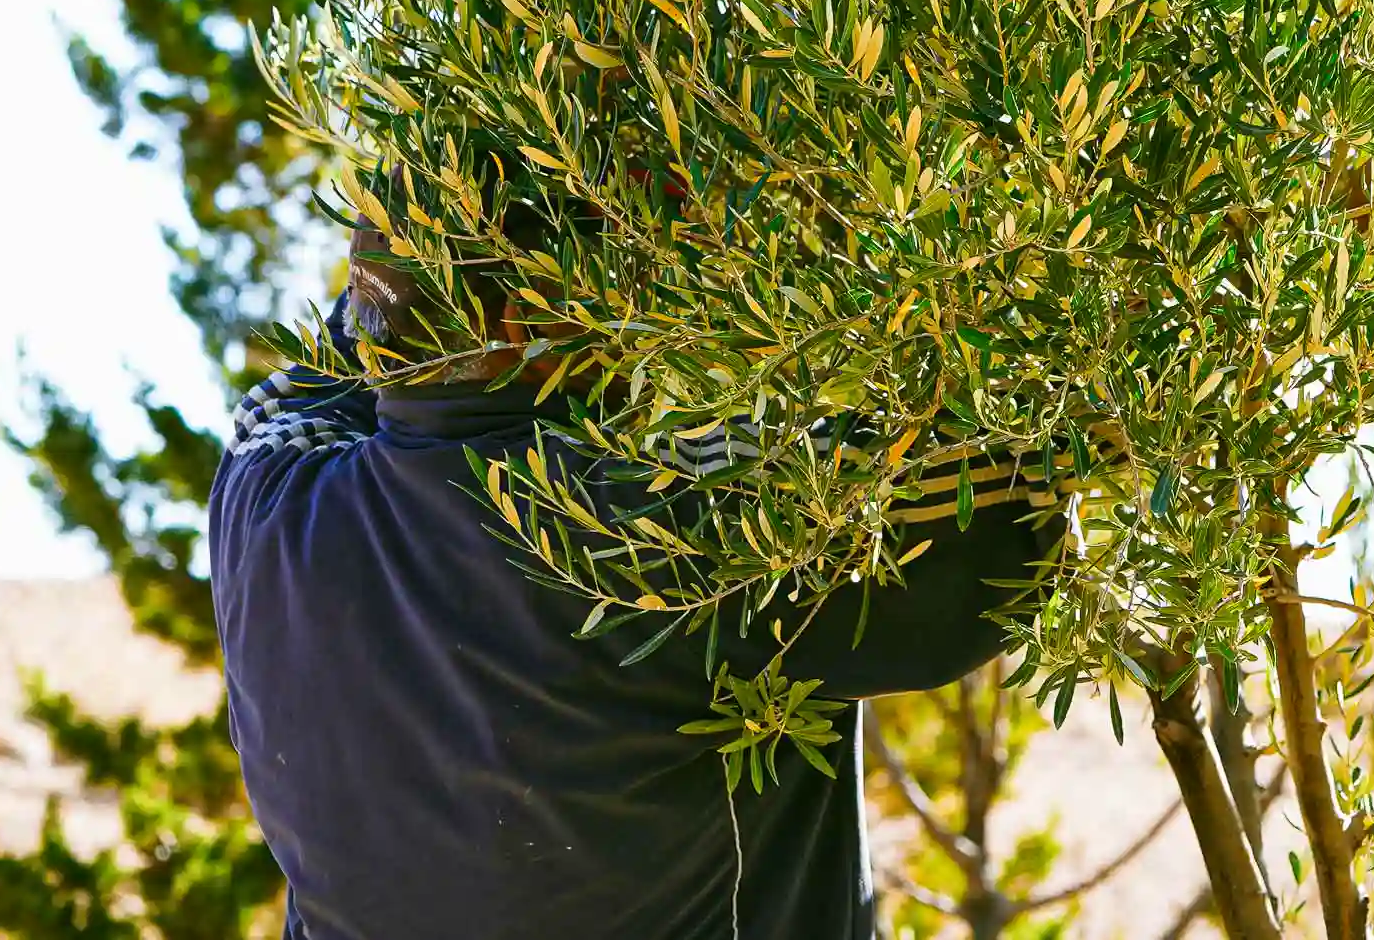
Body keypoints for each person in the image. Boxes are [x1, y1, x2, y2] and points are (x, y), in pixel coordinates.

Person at [211, 206, 1067, 940]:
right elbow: (997, 509)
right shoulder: (656, 528)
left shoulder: (264, 500)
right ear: (527, 317)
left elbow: (353, 355)